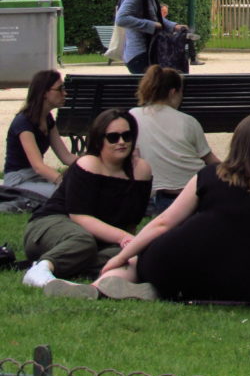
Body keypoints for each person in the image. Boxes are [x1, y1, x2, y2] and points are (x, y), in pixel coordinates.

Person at [92, 114, 250, 310]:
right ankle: (146, 289)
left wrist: (121, 256)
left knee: (135, 264)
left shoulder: (210, 176)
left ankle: (99, 286)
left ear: (237, 143)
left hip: (173, 264)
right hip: (239, 282)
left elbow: (164, 223)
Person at [21, 108, 152, 296]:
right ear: (100, 140)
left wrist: (130, 248)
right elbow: (79, 216)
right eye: (113, 137)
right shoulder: (89, 163)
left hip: (96, 240)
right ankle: (40, 270)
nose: (122, 142)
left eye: (127, 135)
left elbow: (131, 222)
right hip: (52, 224)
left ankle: (73, 278)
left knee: (127, 256)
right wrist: (124, 239)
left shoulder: (142, 171)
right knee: (83, 241)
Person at [130, 65, 219, 214]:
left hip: (155, 194)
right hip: (193, 189)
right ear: (173, 92)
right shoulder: (187, 121)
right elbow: (209, 158)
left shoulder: (133, 116)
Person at [4, 70, 77, 196]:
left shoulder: (48, 119)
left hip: (36, 177)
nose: (65, 93)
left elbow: (66, 157)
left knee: (79, 187)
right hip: (18, 181)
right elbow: (38, 166)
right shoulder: (23, 123)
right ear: (44, 93)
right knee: (64, 194)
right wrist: (62, 181)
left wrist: (94, 164)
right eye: (60, 89)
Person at [115, 0, 185, 74]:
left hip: (147, 52)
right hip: (139, 55)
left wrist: (174, 26)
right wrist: (150, 25)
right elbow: (121, 19)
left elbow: (155, 18)